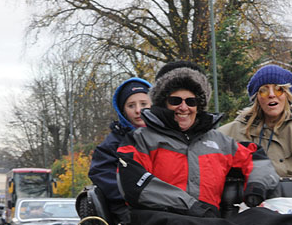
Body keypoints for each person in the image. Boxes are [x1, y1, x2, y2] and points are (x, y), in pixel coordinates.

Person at [116, 63, 279, 216]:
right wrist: (191, 207)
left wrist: (256, 187)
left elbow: (255, 157)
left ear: (199, 105)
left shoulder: (219, 142)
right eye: (175, 101)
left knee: (272, 223)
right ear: (163, 103)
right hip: (159, 220)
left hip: (209, 222)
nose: (184, 107)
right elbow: (134, 183)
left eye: (191, 101)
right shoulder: (141, 140)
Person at [218, 64, 292, 215]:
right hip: (251, 210)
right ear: (257, 98)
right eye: (263, 90)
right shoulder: (231, 133)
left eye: (278, 89)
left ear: (287, 94)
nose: (271, 95)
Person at [88, 77, 152, 221]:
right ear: (123, 110)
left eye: (143, 104)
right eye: (131, 106)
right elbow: (102, 175)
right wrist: (137, 197)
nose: (138, 110)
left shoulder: (166, 138)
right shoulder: (111, 144)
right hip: (127, 209)